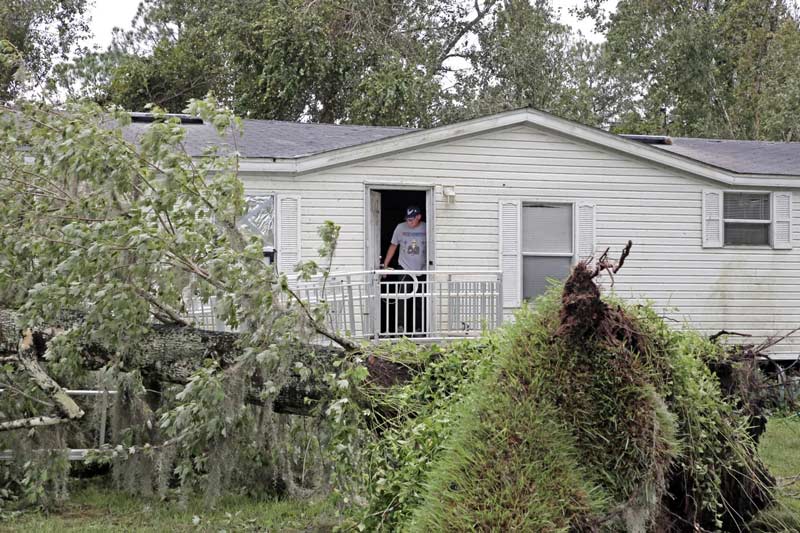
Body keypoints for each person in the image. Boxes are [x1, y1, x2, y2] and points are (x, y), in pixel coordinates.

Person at [382, 206, 427, 334]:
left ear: (419, 217)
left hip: (422, 269)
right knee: (402, 298)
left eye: (412, 219)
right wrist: (385, 265)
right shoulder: (400, 228)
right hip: (404, 267)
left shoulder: (426, 227)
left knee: (420, 299)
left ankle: (419, 328)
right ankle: (400, 327)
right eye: (407, 219)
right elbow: (393, 246)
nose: (409, 222)